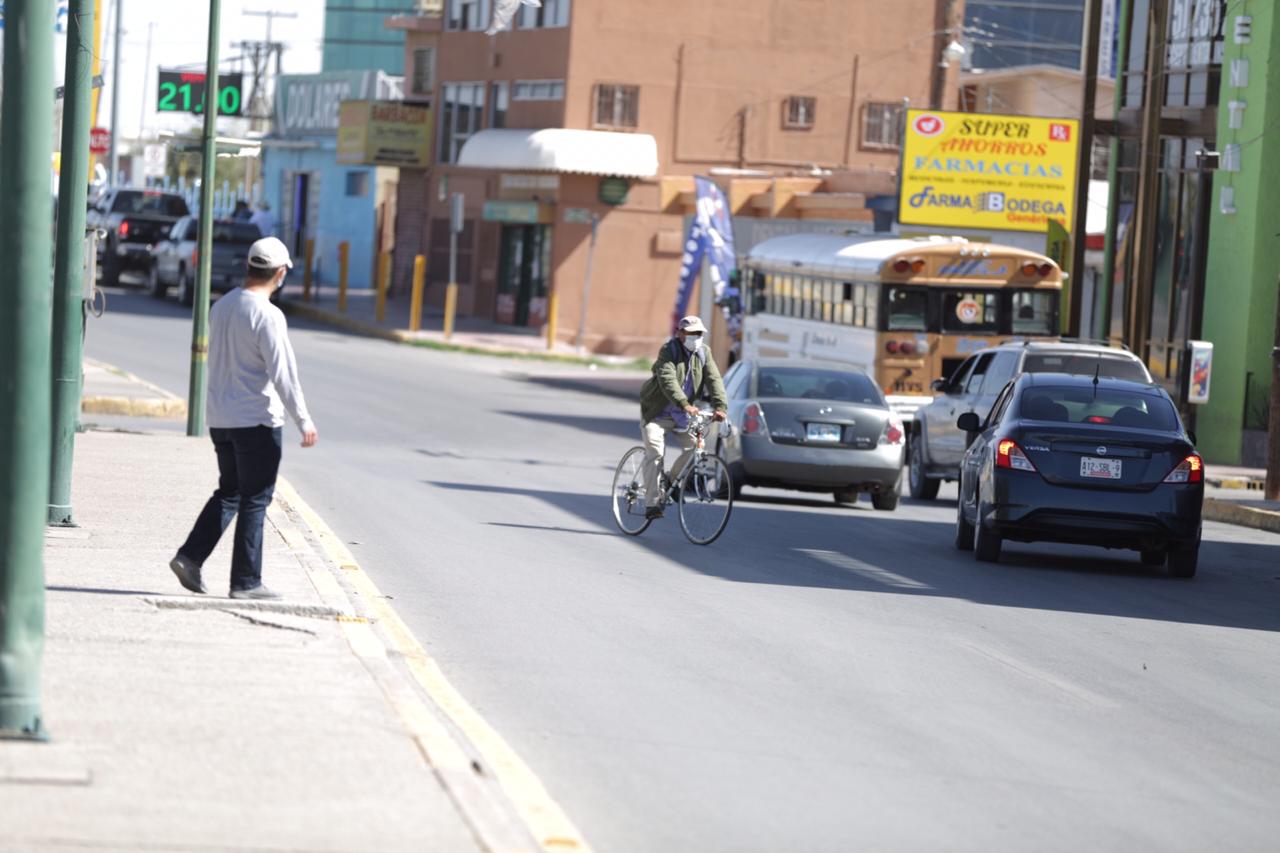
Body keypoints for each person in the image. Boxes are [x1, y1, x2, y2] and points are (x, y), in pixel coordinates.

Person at [169, 236, 318, 599]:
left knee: (230, 491)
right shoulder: (268, 315)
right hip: (257, 421)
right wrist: (304, 420)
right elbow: (283, 374)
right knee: (255, 498)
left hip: (221, 420)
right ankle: (246, 581)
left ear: (249, 266)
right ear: (280, 273)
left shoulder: (221, 307)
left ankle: (190, 557)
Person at [638, 315, 728, 519]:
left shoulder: (704, 352)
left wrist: (720, 406)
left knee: (696, 447)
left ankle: (670, 480)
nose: (696, 337)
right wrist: (685, 404)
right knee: (655, 452)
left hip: (683, 415)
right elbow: (668, 380)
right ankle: (652, 504)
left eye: (699, 334)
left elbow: (714, 379)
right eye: (691, 333)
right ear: (680, 334)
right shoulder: (668, 351)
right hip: (657, 412)